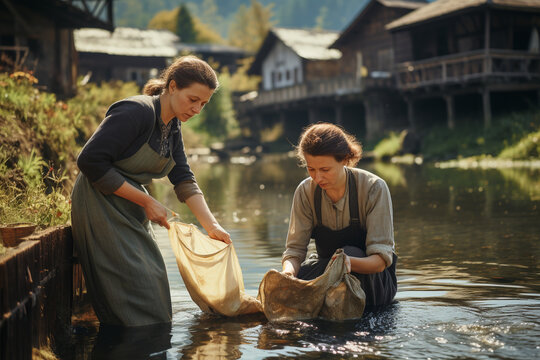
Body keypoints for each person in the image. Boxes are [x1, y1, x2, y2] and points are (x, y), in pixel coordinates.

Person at [71, 55, 231, 327]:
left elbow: (183, 178)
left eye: (203, 104)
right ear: (172, 87)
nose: (197, 109)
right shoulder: (136, 111)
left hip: (130, 207)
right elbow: (89, 161)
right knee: (134, 285)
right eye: (192, 99)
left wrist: (212, 226)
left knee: (154, 278)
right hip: (99, 203)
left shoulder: (173, 125)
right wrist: (146, 200)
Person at [281, 123, 397, 307]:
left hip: (372, 280)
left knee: (349, 252)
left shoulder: (374, 188)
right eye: (311, 169)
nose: (317, 178)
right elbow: (295, 251)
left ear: (344, 159)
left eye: (325, 170)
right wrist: (288, 274)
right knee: (290, 289)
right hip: (328, 271)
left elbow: (380, 262)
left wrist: (345, 263)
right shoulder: (305, 191)